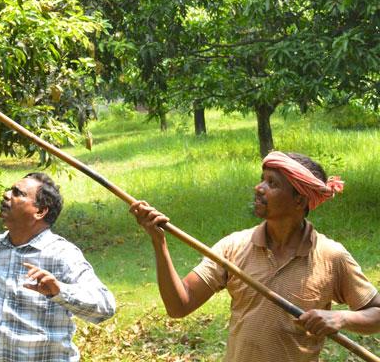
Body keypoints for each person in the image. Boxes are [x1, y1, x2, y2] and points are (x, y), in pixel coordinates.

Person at [131, 150, 380, 361]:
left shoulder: (331, 257)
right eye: (262, 179)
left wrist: (342, 317)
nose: (258, 188)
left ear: (299, 200)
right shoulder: (233, 247)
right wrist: (158, 241)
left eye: (272, 184)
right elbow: (179, 305)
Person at [0, 172, 116, 361]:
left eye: (18, 193)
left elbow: (105, 306)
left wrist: (60, 291)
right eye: (10, 190)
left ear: (40, 211)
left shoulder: (62, 255)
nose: (6, 194)